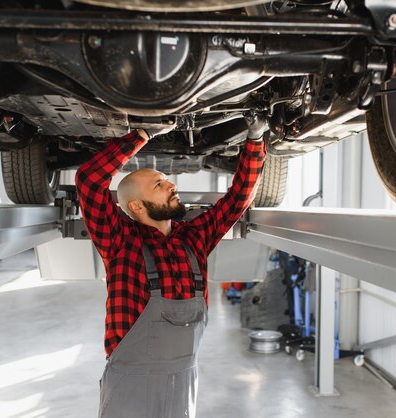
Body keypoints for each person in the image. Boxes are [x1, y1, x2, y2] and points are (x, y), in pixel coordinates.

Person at [75, 114, 267, 417]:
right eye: (159, 184)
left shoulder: (194, 237)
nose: (171, 185)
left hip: (184, 381)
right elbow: (88, 180)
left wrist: (255, 141)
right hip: (131, 383)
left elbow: (237, 199)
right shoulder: (119, 239)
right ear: (137, 206)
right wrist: (141, 134)